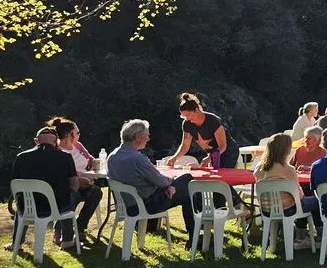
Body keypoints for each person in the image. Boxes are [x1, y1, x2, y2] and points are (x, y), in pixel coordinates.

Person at [107, 119, 195, 247]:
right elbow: (160, 180)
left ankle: (195, 237)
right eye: (147, 135)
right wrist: (169, 184)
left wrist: (166, 185)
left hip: (126, 205)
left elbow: (155, 181)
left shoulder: (112, 156)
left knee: (185, 190)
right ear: (138, 137)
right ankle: (194, 237)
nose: (148, 138)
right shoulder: (137, 159)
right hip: (146, 204)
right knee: (187, 182)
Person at [10, 126, 80, 251]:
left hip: (28, 208)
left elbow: (15, 186)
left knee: (21, 203)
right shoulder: (65, 158)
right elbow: (74, 184)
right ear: (56, 142)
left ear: (36, 141)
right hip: (57, 208)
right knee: (70, 195)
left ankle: (16, 243)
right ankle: (67, 241)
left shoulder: (21, 158)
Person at [254, 133, 315, 250]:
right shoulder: (288, 170)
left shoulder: (259, 168)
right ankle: (309, 237)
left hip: (267, 210)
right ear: (286, 150)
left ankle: (295, 236)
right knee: (316, 202)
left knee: (301, 203)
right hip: (288, 209)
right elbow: (299, 195)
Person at [46, 116, 103, 242]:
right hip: (66, 187)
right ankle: (60, 230)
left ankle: (80, 226)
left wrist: (96, 164)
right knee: (73, 194)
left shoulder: (78, 146)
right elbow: (64, 172)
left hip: (85, 183)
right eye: (77, 132)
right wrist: (80, 177)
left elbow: (90, 159)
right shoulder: (57, 150)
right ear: (68, 134)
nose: (79, 135)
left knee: (97, 192)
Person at [174, 93, 240, 169]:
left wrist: (209, 158)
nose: (187, 118)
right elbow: (185, 146)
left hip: (228, 151)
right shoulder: (187, 124)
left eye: (189, 115)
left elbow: (222, 146)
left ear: (197, 110)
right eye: (184, 116)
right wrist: (174, 158)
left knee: (222, 173)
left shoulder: (213, 121)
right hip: (212, 152)